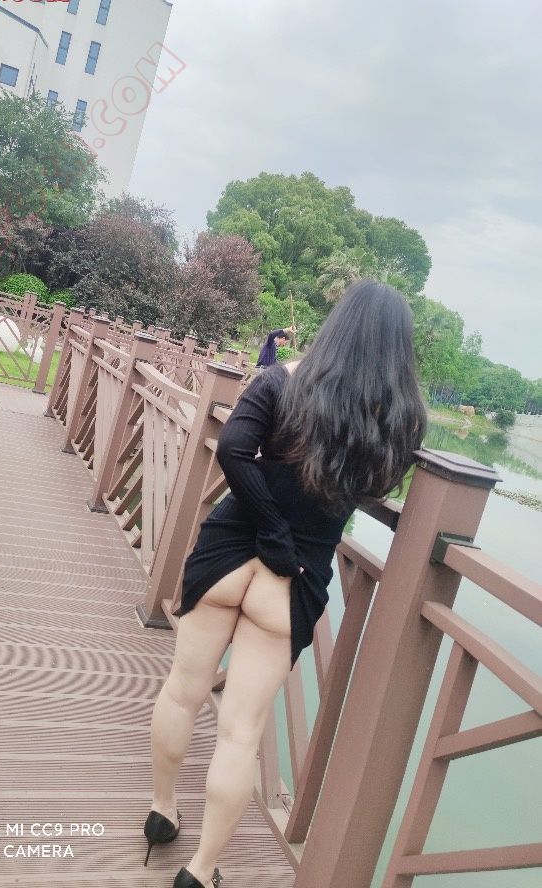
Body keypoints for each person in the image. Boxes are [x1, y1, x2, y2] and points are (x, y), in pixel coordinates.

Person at [143, 279, 428, 888]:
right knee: (240, 731)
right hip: (293, 579)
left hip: (226, 554)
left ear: (337, 325)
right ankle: (201, 869)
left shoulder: (279, 381)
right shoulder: (400, 422)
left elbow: (233, 450)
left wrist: (267, 525)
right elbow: (376, 488)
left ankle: (162, 811)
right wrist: (285, 536)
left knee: (181, 692)